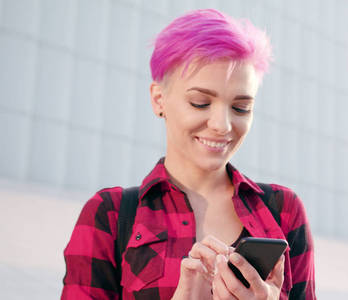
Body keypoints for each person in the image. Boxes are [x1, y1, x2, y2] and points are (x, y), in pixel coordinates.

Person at [61, 8, 315, 300]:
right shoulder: (109, 214)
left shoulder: (284, 210)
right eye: (200, 103)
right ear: (159, 99)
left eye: (241, 107)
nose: (222, 125)